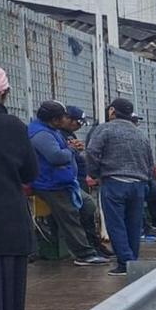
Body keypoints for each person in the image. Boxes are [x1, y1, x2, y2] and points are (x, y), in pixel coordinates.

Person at [0, 63, 38, 310]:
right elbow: (30, 172)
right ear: (3, 93)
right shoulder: (13, 127)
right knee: (5, 295)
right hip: (7, 223)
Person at [28, 100, 110, 266]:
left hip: (64, 182)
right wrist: (71, 150)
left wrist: (70, 147)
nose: (67, 120)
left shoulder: (52, 131)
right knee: (70, 217)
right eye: (64, 117)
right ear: (55, 119)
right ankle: (84, 254)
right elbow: (56, 157)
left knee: (88, 205)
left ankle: (89, 246)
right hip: (52, 184)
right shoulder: (41, 134)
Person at [85, 97, 155, 276]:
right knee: (134, 224)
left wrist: (94, 173)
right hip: (138, 185)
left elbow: (92, 152)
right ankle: (133, 262)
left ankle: (125, 262)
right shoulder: (140, 134)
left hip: (114, 183)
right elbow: (149, 162)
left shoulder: (105, 129)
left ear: (112, 112)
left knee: (116, 225)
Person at [58, 105, 111, 257]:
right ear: (68, 119)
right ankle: (88, 247)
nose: (79, 127)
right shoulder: (58, 135)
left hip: (79, 177)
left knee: (88, 214)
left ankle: (93, 245)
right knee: (85, 212)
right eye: (78, 123)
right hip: (71, 180)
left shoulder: (70, 135)